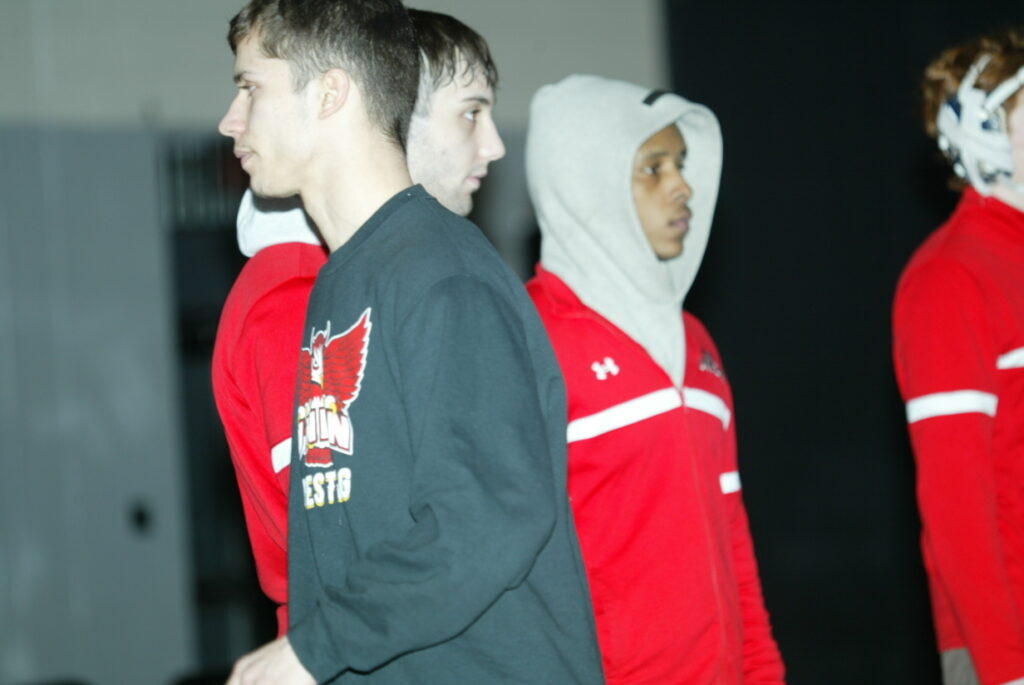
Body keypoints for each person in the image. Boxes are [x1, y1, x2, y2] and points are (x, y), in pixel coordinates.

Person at [216, 1, 605, 683]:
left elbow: (489, 517)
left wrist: (315, 648)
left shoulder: (442, 273)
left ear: (329, 93)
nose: (231, 118)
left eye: (251, 87)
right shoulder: (340, 283)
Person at [211, 7, 505, 639]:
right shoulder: (297, 295)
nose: (493, 146)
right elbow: (358, 541)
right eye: (469, 113)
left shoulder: (418, 275)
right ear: (395, 116)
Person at [524, 74, 785, 684]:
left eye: (682, 164)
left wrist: (764, 673)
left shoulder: (697, 342)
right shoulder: (526, 340)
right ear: (587, 181)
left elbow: (733, 539)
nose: (683, 187)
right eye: (653, 168)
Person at [893, 29, 1024, 685]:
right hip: (1008, 639)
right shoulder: (951, 278)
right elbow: (955, 506)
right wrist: (1005, 667)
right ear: (982, 135)